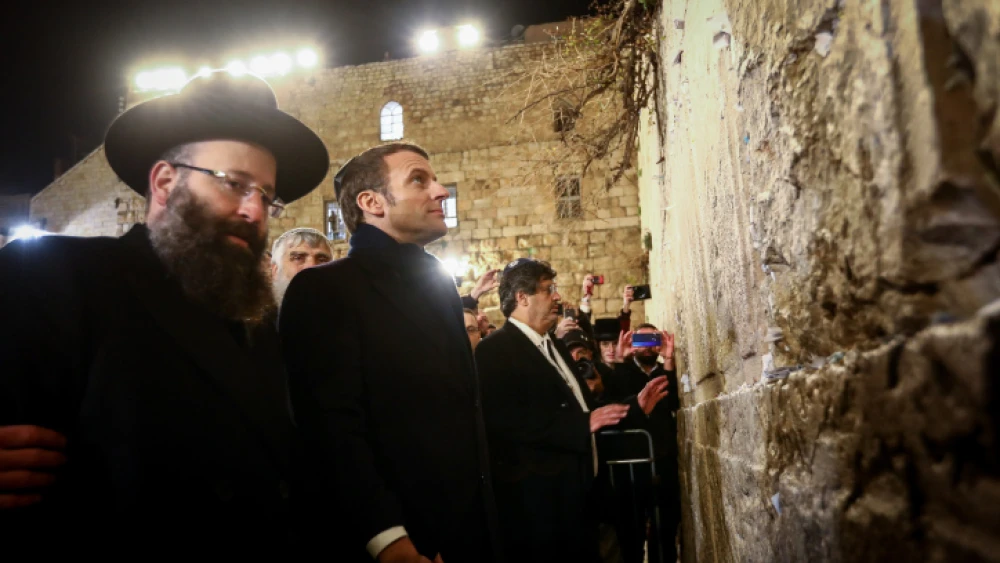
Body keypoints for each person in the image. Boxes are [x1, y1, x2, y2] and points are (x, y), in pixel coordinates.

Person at [0, 71, 329, 549]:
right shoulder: (55, 276)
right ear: (164, 181)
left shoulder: (259, 326)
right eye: (234, 184)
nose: (254, 211)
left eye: (266, 195)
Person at [279, 142, 498, 562]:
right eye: (419, 179)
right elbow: (331, 429)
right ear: (371, 202)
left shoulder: (438, 285)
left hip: (465, 533)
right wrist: (389, 539)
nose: (440, 191)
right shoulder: (323, 289)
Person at [475, 259, 669, 563]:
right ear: (522, 297)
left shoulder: (553, 344)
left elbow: (586, 411)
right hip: (540, 505)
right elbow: (505, 422)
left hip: (580, 495)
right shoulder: (495, 350)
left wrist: (634, 407)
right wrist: (580, 426)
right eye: (547, 290)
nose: (557, 297)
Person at [610, 324, 680, 563]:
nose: (647, 346)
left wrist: (669, 359)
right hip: (633, 467)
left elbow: (672, 403)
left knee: (666, 532)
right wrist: (620, 359)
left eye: (652, 339)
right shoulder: (625, 371)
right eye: (641, 340)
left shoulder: (664, 370)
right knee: (632, 534)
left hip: (663, 462)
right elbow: (616, 399)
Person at [270, 227, 333, 304]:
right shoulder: (257, 314)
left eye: (322, 260)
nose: (312, 267)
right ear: (275, 270)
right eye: (298, 258)